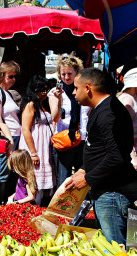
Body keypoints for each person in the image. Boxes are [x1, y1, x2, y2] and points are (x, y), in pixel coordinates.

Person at [65, 67, 137, 245]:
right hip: (107, 191)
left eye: (76, 87)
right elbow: (98, 149)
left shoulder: (108, 114)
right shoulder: (101, 109)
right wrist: (82, 170)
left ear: (88, 88)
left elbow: (117, 156)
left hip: (113, 193)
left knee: (116, 252)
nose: (74, 92)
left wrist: (88, 178)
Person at [49, 54, 89, 187]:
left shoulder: (84, 90)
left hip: (83, 138)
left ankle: (82, 207)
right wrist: (59, 100)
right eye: (63, 74)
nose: (66, 77)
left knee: (82, 178)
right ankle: (61, 207)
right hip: (65, 140)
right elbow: (55, 118)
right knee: (63, 179)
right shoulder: (54, 92)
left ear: (77, 72)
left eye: (70, 74)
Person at [0, 61, 21, 205]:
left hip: (14, 135)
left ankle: (3, 204)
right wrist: (6, 137)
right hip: (6, 137)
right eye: (10, 76)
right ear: (2, 76)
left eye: (15, 76)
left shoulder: (8, 93)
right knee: (1, 172)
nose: (13, 79)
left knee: (9, 173)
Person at [19, 75, 55, 205]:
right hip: (35, 145)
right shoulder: (30, 104)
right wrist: (33, 153)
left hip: (44, 146)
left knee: (42, 183)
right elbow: (25, 129)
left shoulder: (43, 104)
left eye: (46, 89)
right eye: (41, 89)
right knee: (34, 180)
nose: (44, 92)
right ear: (34, 89)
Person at [118, 68, 137, 170]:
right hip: (130, 155)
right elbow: (124, 132)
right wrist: (133, 158)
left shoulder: (129, 98)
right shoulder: (128, 101)